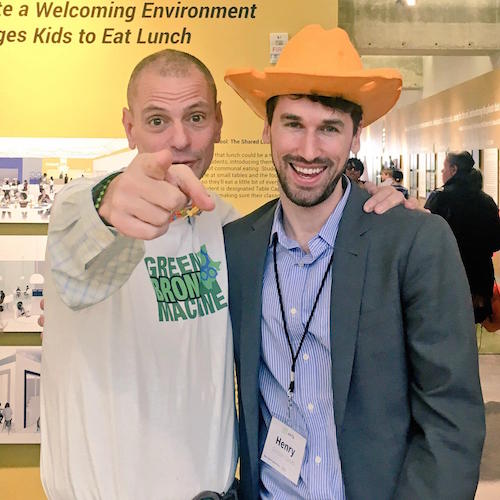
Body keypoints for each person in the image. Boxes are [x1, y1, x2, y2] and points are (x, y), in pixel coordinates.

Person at [42, 47, 407, 499]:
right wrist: (108, 202)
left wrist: (378, 208)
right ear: (129, 127)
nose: (179, 140)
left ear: (218, 121)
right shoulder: (79, 206)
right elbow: (82, 237)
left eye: (195, 118)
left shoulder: (230, 229)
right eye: (156, 120)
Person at [223, 25, 485, 499]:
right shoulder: (237, 247)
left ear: (355, 137)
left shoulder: (413, 242)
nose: (308, 151)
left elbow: (451, 421)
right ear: (266, 128)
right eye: (293, 124)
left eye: (329, 128)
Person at [425, 151, 500, 323]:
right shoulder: (486, 201)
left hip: (445, 274)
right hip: (479, 277)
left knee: (446, 322)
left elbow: (426, 239)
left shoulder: (440, 198)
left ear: (453, 169)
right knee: (471, 322)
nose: (441, 172)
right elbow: (496, 241)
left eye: (444, 168)